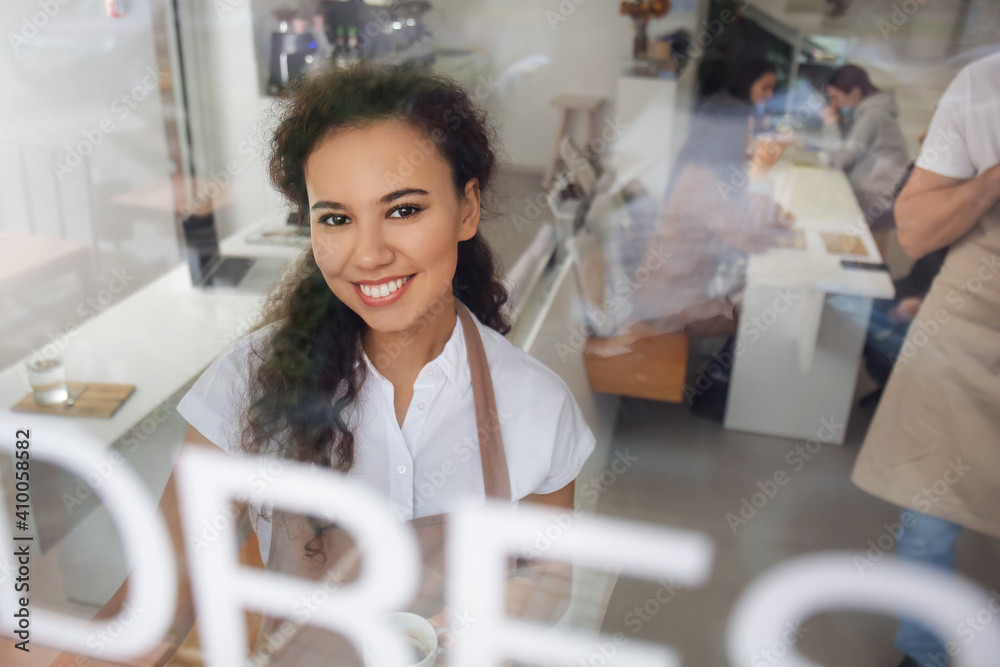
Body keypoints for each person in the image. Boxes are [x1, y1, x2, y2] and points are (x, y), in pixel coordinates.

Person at [90, 63, 597, 663]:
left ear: (467, 209)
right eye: (336, 219)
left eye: (403, 210)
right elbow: (163, 592)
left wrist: (505, 610)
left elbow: (547, 578)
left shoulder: (536, 405)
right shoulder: (246, 383)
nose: (369, 254)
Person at [850, 52, 1000, 667]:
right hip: (971, 318)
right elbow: (913, 230)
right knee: (928, 515)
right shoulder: (984, 84)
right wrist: (993, 178)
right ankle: (925, 652)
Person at [823, 64, 910, 238]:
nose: (835, 104)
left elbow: (840, 160)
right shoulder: (870, 112)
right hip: (878, 195)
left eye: (836, 97)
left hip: (875, 200)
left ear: (855, 93)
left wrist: (830, 124)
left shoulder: (873, 115)